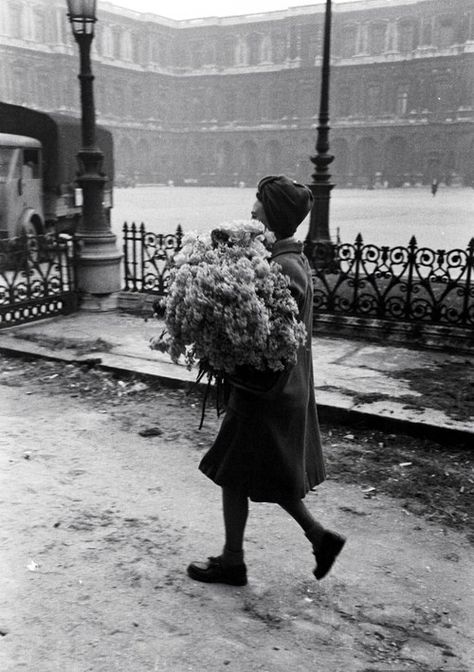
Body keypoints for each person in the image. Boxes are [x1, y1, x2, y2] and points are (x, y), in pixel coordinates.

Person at [187, 175, 345, 587]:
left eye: (257, 202)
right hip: (273, 389)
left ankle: (236, 560)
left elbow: (268, 337)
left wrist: (221, 338)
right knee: (248, 473)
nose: (251, 208)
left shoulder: (284, 267)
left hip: (267, 392)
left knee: (235, 472)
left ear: (271, 213)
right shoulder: (286, 258)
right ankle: (312, 539)